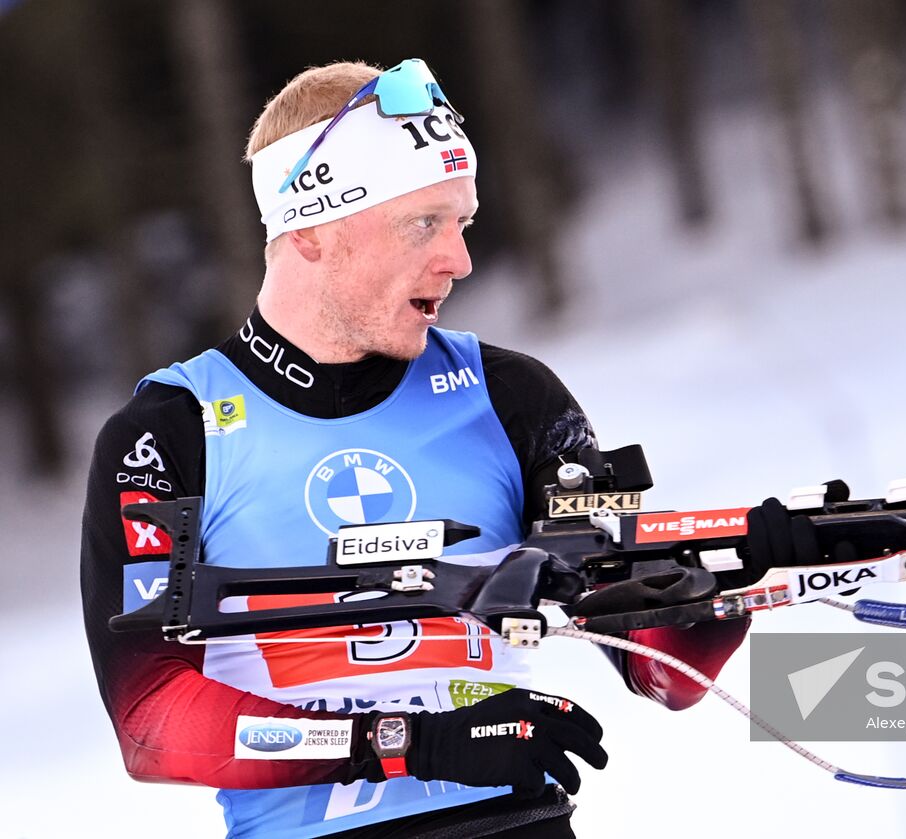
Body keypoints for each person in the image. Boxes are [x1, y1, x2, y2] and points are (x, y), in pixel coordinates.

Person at [79, 59, 751, 839]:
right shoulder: (169, 434)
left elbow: (663, 666)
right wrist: (403, 743)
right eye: (424, 223)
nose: (459, 259)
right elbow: (152, 723)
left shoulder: (514, 397)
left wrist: (730, 582)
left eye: (461, 221)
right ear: (312, 228)